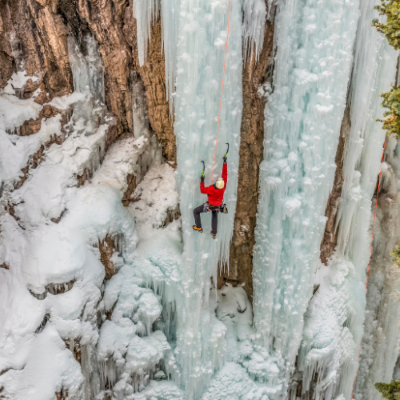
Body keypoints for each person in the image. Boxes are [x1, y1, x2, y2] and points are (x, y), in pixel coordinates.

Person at [193, 155, 227, 239]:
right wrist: (225, 162)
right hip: (218, 205)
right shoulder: (223, 187)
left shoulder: (211, 189)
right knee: (215, 215)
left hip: (210, 205)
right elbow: (225, 174)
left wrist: (202, 181)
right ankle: (214, 233)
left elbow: (202, 190)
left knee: (196, 211)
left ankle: (199, 227)